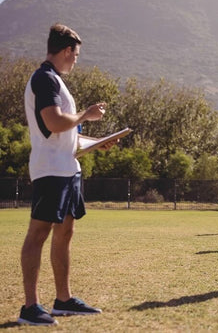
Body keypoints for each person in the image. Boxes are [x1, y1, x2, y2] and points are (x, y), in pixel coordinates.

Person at [19, 23, 116, 326]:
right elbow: (54, 123)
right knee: (38, 234)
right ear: (65, 51)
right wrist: (86, 114)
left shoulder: (56, 81)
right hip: (50, 171)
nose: (76, 60)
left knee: (65, 233)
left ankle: (63, 300)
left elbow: (66, 135)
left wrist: (95, 144)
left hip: (67, 169)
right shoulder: (45, 79)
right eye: (75, 55)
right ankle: (30, 307)